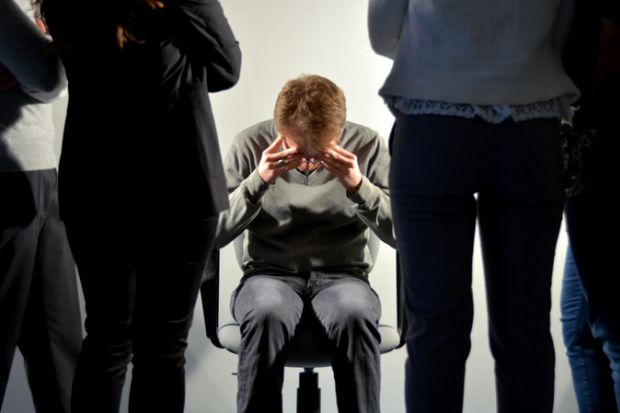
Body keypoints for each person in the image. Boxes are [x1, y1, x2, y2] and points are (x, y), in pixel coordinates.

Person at [368, 1, 579, 412]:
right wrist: (512, 59)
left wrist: (446, 54)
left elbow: (382, 35)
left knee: (434, 329)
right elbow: (562, 30)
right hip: (529, 124)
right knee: (525, 326)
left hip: (431, 120)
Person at [35, 0, 241, 411]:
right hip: (179, 184)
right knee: (161, 347)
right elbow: (224, 69)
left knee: (107, 339)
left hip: (96, 184)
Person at [215, 74, 394, 413]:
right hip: (269, 274)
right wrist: (257, 182)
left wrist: (359, 186)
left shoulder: (368, 145)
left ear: (340, 132)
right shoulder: (250, 144)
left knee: (355, 314)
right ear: (278, 129)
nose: (308, 163)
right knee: (267, 312)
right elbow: (212, 234)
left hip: (344, 276)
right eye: (297, 150)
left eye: (319, 152)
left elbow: (403, 236)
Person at [0, 0, 82, 411]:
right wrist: (44, 53)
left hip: (43, 174)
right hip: (7, 182)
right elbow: (48, 77)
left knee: (61, 352)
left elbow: (61, 73)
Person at [560, 3, 620, 411]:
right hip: (591, 150)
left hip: (599, 150)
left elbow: (610, 52)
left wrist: (579, 119)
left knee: (612, 330)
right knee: (580, 330)